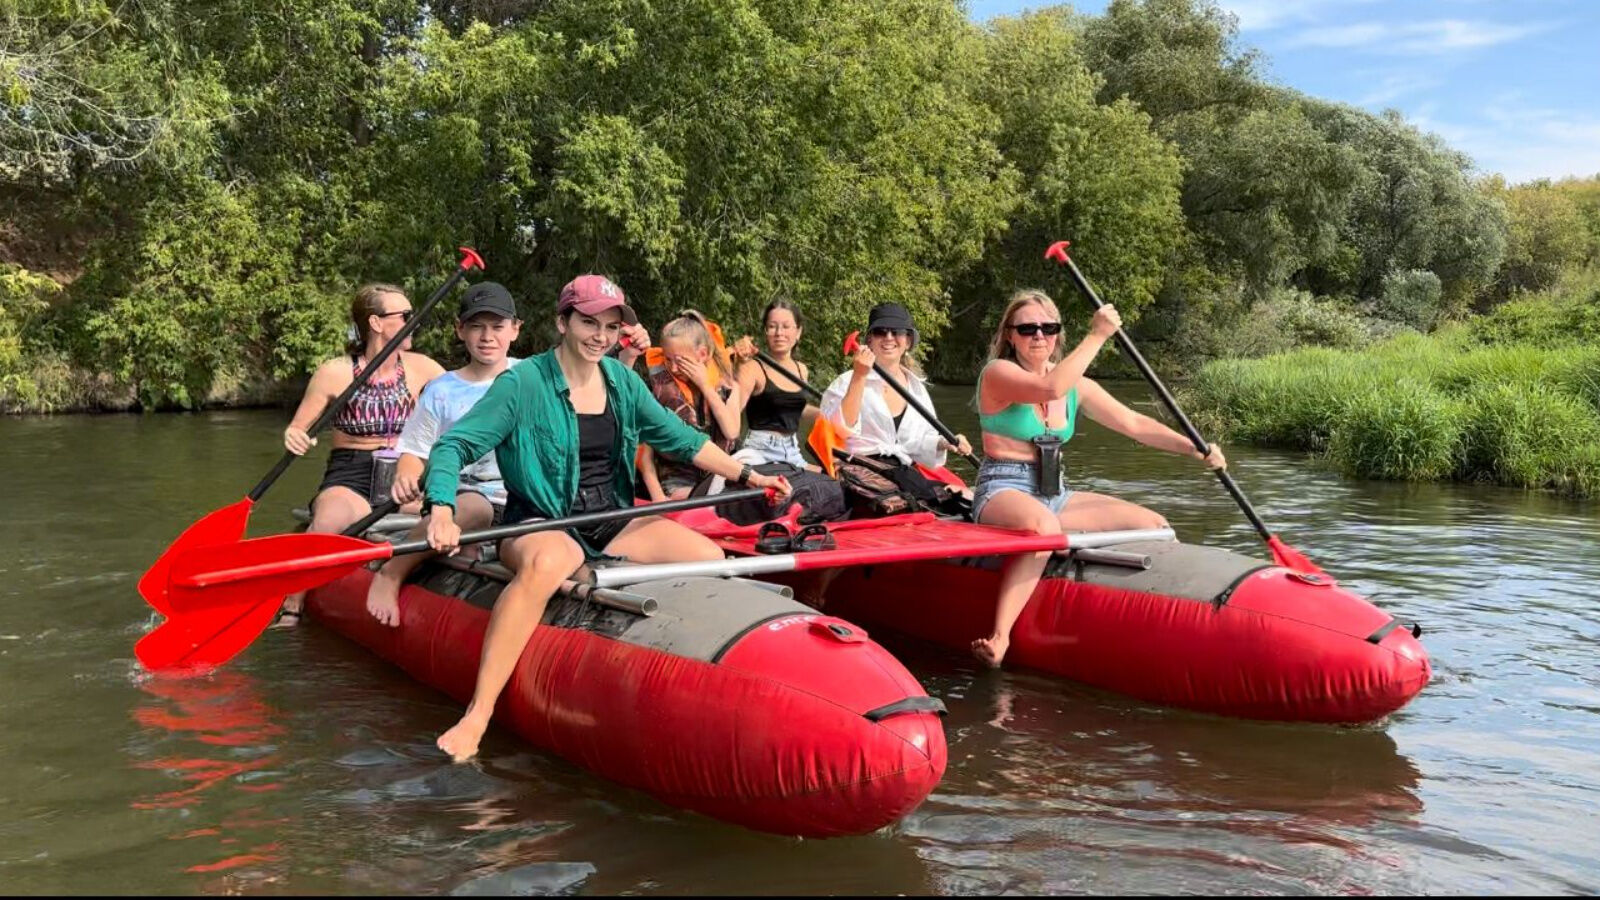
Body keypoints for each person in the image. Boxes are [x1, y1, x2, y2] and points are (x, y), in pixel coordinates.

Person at [419, 274, 792, 762]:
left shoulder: (622, 381)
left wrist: (748, 475)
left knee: (708, 555)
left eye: (611, 326)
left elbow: (683, 441)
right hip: (539, 519)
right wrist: (442, 509)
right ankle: (478, 712)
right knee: (549, 561)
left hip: (609, 516)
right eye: (588, 322)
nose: (600, 335)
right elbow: (453, 445)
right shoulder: (522, 383)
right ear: (562, 321)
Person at [969, 289, 1227, 668]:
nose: (1038, 335)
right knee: (1044, 528)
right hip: (1003, 488)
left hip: (1054, 491)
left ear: (1058, 334)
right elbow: (1049, 388)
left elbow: (1134, 424)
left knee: (1152, 523)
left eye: (1048, 327)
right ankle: (1000, 637)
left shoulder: (1078, 386)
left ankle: (1168, 614)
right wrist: (1099, 334)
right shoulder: (998, 373)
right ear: (1009, 335)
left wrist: (1194, 447)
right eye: (1027, 329)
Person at [278, 283, 445, 627]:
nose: (415, 322)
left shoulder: (423, 368)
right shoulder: (335, 372)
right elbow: (298, 428)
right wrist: (294, 436)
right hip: (350, 475)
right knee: (326, 523)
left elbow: (467, 400)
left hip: (405, 475)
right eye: (406, 316)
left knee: (442, 517)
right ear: (376, 322)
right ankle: (291, 607)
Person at [364, 282, 525, 626]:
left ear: (515, 329)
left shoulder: (534, 375)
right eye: (476, 327)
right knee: (474, 509)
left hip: (523, 495)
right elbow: (414, 452)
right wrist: (407, 474)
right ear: (460, 330)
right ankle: (391, 572)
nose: (487, 337)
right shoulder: (441, 389)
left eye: (497, 327)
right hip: (464, 495)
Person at [820, 302, 972, 504]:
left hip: (900, 472)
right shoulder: (846, 381)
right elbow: (838, 429)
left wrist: (946, 442)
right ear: (870, 341)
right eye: (880, 332)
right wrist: (859, 376)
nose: (889, 338)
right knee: (935, 496)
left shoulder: (917, 389)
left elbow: (918, 443)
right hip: (859, 474)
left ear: (908, 341)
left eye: (897, 332)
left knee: (966, 497)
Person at [637, 310, 744, 501]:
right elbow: (644, 449)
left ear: (702, 354)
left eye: (680, 361)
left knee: (731, 492)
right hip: (676, 481)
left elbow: (731, 432)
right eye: (668, 359)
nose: (674, 368)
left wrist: (705, 386)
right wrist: (658, 496)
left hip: (719, 474)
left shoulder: (729, 386)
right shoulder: (655, 388)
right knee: (702, 498)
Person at [730, 299, 818, 469]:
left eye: (786, 326)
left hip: (793, 452)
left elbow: (795, 407)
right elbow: (733, 413)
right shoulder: (753, 368)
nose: (779, 333)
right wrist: (738, 365)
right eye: (772, 326)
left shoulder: (802, 369)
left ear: (798, 332)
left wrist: (829, 414)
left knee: (831, 482)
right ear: (765, 332)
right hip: (759, 452)